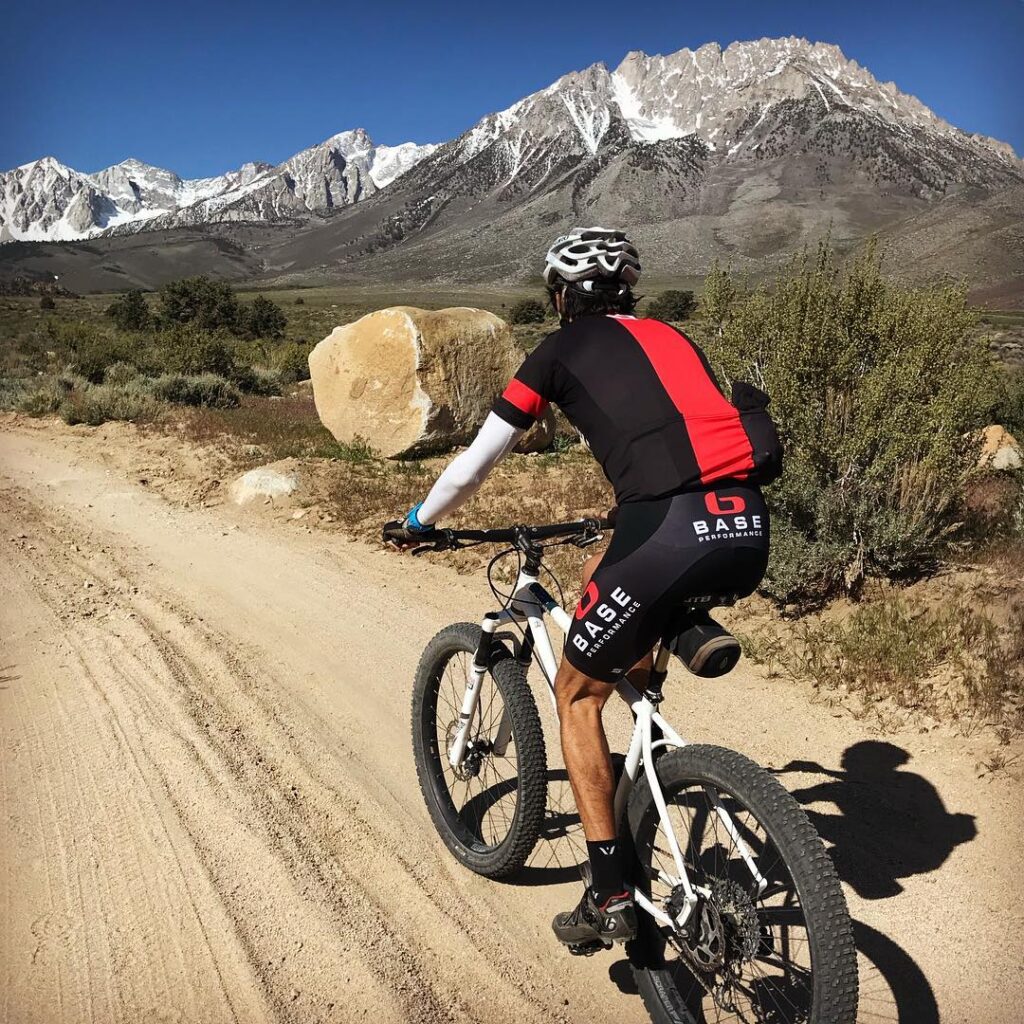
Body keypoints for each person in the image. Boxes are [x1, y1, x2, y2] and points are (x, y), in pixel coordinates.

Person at [385, 227, 779, 950]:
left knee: (577, 692)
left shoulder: (557, 352)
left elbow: (477, 461)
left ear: (562, 296)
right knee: (625, 598)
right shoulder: (674, 338)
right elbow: (682, 434)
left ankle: (610, 893)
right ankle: (674, 656)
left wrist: (419, 520)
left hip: (666, 532)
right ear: (628, 292)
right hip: (746, 527)